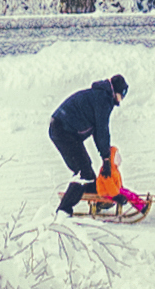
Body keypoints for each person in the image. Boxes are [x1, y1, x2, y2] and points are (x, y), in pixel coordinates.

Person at [49, 71, 131, 212]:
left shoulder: (101, 95)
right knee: (83, 172)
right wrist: (106, 158)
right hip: (62, 130)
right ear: (117, 92)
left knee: (86, 167)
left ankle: (98, 199)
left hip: (68, 131)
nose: (121, 99)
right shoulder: (103, 99)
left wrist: (105, 156)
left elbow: (98, 132)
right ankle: (63, 210)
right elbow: (102, 130)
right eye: (122, 95)